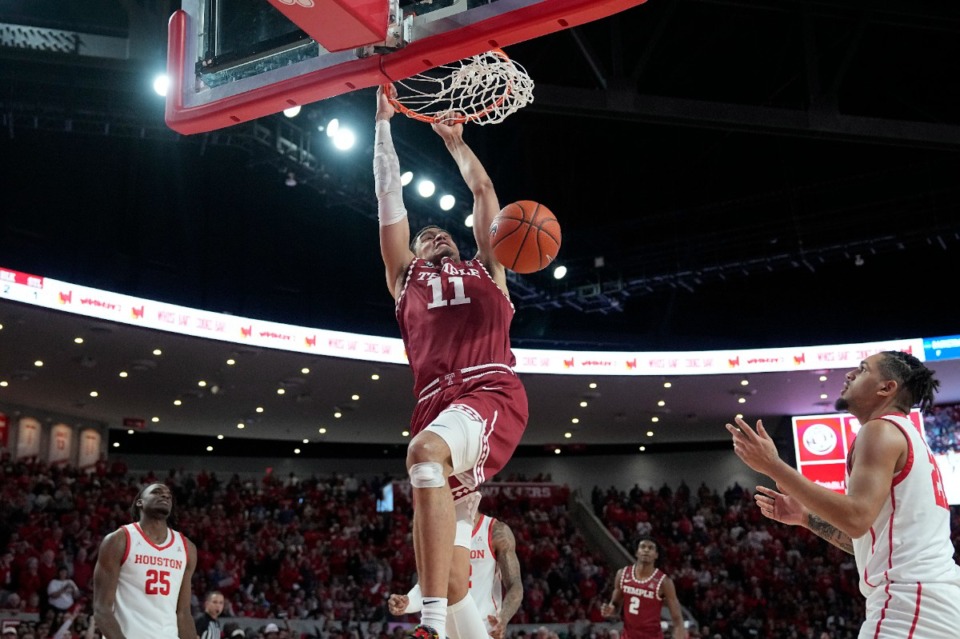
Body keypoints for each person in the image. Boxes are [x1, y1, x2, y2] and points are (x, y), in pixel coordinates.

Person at [374, 83, 529, 639]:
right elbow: (389, 199)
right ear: (414, 255)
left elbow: (484, 190)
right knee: (458, 576)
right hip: (437, 407)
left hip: (489, 393)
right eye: (424, 236)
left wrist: (456, 143)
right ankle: (456, 621)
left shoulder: (489, 269)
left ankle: (430, 627)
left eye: (442, 232)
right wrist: (382, 127)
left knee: (422, 454)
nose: (434, 234)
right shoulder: (404, 280)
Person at [727, 350, 960, 638]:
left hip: (907, 604)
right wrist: (806, 518)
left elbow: (855, 517)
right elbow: (865, 541)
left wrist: (773, 466)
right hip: (935, 602)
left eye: (862, 370)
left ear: (886, 388)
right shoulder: (910, 439)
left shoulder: (881, 431)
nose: (849, 374)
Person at [387, 511, 524, 639]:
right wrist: (407, 602)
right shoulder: (438, 533)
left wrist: (503, 618)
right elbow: (427, 585)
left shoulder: (495, 531)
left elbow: (515, 585)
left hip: (484, 628)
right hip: (445, 628)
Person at [93, 482, 199, 639]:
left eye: (168, 496)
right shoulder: (119, 540)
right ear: (139, 502)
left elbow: (183, 613)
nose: (165, 496)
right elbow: (102, 609)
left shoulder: (186, 548)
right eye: (156, 492)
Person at [600, 536, 687, 639]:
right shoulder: (622, 574)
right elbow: (616, 606)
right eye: (643, 547)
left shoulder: (664, 582)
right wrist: (610, 610)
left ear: (656, 555)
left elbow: (677, 620)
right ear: (637, 552)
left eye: (651, 548)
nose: (646, 550)